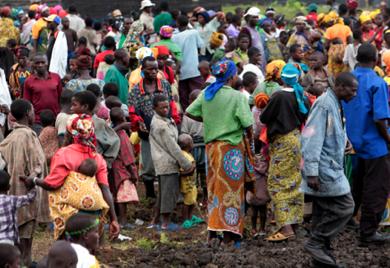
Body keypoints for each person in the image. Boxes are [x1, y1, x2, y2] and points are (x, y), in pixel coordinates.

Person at [186, 59, 254, 245]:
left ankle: (214, 230)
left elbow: (189, 112)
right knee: (232, 191)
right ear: (232, 76)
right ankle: (230, 233)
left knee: (214, 189)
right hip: (231, 150)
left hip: (212, 149)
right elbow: (248, 125)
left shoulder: (206, 94)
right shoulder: (238, 97)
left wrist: (209, 119)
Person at [29, 113, 120, 240]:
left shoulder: (64, 154)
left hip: (70, 215)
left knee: (69, 252)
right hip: (94, 214)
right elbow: (105, 189)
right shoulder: (97, 157)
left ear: (69, 132)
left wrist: (34, 180)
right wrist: (114, 219)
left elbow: (52, 184)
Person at [301, 72, 358, 266]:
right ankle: (316, 241)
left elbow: (333, 130)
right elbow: (310, 137)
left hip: (330, 165)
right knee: (345, 206)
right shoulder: (324, 104)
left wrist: (345, 142)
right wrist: (312, 172)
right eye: (353, 89)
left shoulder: (334, 103)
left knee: (322, 210)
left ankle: (320, 259)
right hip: (324, 168)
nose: (355, 94)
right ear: (340, 87)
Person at [343, 43, 390, 245]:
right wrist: (388, 139)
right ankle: (368, 232)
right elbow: (380, 119)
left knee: (358, 184)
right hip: (375, 145)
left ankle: (348, 219)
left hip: (354, 142)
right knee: (376, 188)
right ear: (376, 60)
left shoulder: (348, 79)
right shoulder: (376, 83)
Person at [260, 63, 308, 242]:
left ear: (281, 78)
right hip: (296, 139)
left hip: (282, 141)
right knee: (294, 182)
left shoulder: (279, 96)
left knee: (277, 183)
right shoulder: (300, 94)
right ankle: (294, 224)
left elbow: (264, 117)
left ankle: (286, 228)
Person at [0, 99, 50, 266]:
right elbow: (37, 162)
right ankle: (25, 262)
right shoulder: (29, 135)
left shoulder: (11, 136)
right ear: (28, 113)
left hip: (10, 190)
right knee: (26, 239)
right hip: (26, 191)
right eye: (33, 110)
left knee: (16, 234)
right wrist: (34, 176)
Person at [129, 57, 179, 200]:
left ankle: (168, 195)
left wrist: (173, 121)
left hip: (165, 130)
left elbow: (172, 105)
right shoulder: (136, 90)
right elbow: (133, 111)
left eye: (156, 68)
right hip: (146, 133)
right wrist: (138, 122)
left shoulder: (164, 85)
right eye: (150, 69)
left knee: (168, 161)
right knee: (149, 165)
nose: (154, 71)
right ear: (142, 70)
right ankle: (150, 195)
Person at [150, 95, 193, 230]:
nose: (165, 109)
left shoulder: (163, 120)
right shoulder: (161, 126)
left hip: (163, 162)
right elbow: (173, 147)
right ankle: (165, 224)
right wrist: (186, 164)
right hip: (167, 163)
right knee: (168, 194)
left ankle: (155, 221)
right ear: (154, 108)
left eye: (167, 107)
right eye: (161, 107)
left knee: (163, 194)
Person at [109, 107, 139, 227]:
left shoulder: (112, 132)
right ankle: (123, 221)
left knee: (116, 194)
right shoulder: (122, 135)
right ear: (122, 118)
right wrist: (133, 172)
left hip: (114, 167)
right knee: (123, 197)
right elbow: (127, 156)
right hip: (123, 169)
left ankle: (117, 219)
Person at [172, 15, 205, 111]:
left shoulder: (174, 37)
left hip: (181, 71)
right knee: (197, 94)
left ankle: (187, 115)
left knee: (184, 97)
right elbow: (201, 44)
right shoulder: (193, 32)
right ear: (188, 23)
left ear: (177, 24)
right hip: (194, 69)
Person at [23, 54, 62, 134]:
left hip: (55, 119)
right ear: (33, 64)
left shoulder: (56, 77)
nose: (40, 65)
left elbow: (60, 98)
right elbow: (27, 103)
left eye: (42, 62)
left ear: (47, 63)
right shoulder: (29, 81)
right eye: (37, 63)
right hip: (38, 121)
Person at [181, 90, 207, 207]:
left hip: (201, 146)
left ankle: (202, 197)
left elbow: (184, 132)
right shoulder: (189, 115)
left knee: (203, 173)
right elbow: (185, 133)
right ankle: (196, 198)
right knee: (198, 173)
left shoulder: (203, 112)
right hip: (195, 147)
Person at [0, 170, 36, 246]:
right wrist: (31, 186)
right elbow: (30, 197)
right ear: (8, 187)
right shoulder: (11, 200)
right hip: (8, 242)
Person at [178, 133, 203, 229]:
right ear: (188, 144)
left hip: (192, 183)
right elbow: (181, 172)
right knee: (187, 202)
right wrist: (191, 169)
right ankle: (185, 220)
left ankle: (190, 217)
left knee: (192, 200)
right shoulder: (183, 156)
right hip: (187, 184)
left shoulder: (187, 154)